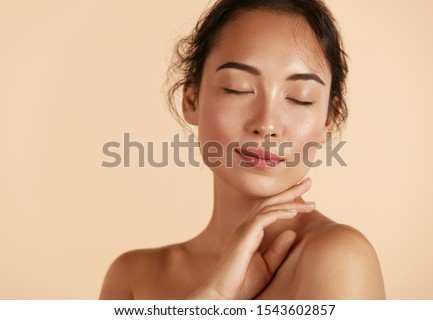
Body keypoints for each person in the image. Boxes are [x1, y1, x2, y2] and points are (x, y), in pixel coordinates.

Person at [99, 0, 385, 300]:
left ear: (329, 118)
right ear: (192, 100)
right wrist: (214, 297)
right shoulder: (133, 277)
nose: (267, 124)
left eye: (301, 98)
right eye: (238, 88)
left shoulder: (340, 260)